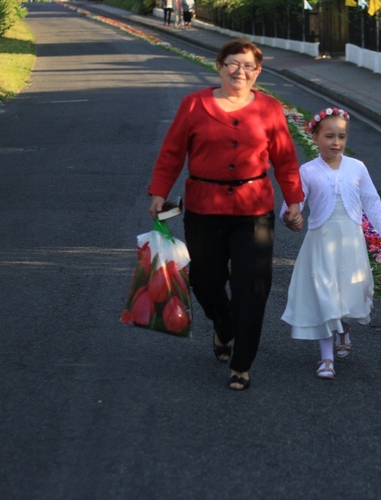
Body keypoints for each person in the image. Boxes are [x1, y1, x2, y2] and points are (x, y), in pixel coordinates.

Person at [148, 38, 304, 391]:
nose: (240, 71)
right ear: (219, 66)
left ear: (258, 72)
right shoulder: (194, 105)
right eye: (233, 63)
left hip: (254, 210)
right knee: (205, 280)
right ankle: (223, 325)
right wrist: (159, 192)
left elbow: (285, 160)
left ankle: (242, 363)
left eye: (249, 66)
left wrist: (293, 201)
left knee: (253, 286)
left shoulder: (270, 108)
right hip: (204, 208)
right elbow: (172, 152)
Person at [280, 107, 381, 380]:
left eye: (341, 137)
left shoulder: (357, 168)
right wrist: (290, 214)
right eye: (329, 136)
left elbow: (372, 202)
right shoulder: (308, 170)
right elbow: (292, 202)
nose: (335, 142)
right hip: (320, 244)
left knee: (346, 294)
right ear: (315, 138)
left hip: (350, 245)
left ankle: (343, 329)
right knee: (324, 296)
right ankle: (326, 358)